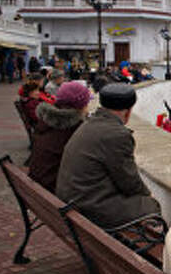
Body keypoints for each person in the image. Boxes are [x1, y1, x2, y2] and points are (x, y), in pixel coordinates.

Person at [56, 83, 162, 230]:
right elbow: (129, 182)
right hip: (88, 208)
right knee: (149, 205)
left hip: (70, 201)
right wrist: (148, 196)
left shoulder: (90, 122)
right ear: (128, 111)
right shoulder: (117, 135)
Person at [28, 82, 90, 192]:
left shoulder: (47, 122)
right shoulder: (73, 129)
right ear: (81, 106)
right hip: (55, 190)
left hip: (40, 186)